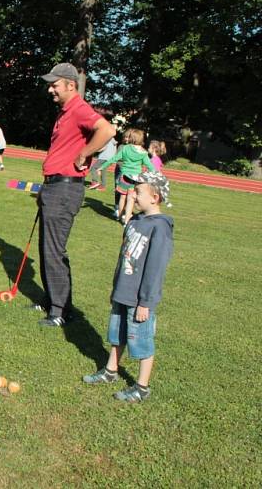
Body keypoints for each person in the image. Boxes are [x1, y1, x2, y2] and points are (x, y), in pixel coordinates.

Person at [36, 62, 116, 327]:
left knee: (54, 250)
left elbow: (107, 130)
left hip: (65, 187)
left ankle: (59, 311)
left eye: (55, 85)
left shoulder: (79, 108)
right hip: (54, 186)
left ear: (71, 85)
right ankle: (52, 300)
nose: (50, 90)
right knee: (47, 247)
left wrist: (85, 152)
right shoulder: (64, 111)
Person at [82, 171, 173, 403]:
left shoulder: (160, 228)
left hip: (139, 298)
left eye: (138, 191)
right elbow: (124, 257)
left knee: (141, 340)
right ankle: (111, 371)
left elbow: (156, 268)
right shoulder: (135, 221)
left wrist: (146, 302)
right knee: (117, 335)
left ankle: (142, 387)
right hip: (123, 291)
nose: (132, 193)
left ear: (155, 197)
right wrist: (115, 288)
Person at [98, 128, 153, 225]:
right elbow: (150, 166)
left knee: (122, 197)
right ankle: (127, 220)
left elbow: (114, 159)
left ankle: (119, 215)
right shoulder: (144, 153)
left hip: (124, 177)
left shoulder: (125, 148)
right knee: (131, 199)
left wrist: (102, 167)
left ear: (132, 138)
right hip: (135, 179)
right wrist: (157, 175)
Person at [148, 140, 173, 207]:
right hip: (157, 178)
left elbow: (154, 170)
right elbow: (160, 166)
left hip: (154, 179)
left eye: (149, 147)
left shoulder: (153, 159)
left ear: (154, 149)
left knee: (151, 194)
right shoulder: (157, 158)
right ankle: (165, 201)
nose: (148, 149)